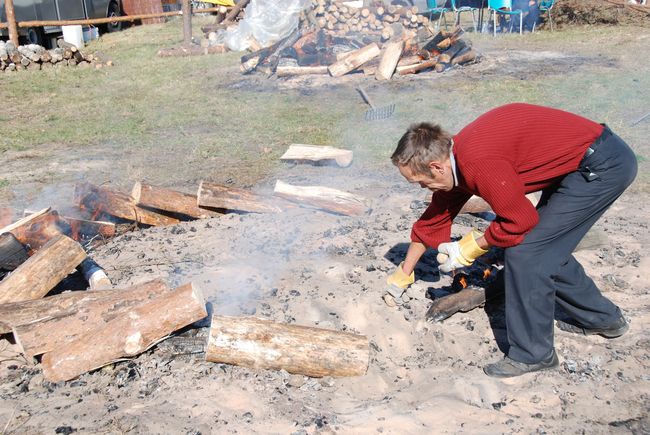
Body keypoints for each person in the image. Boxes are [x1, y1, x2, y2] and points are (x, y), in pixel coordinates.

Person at [386, 103, 637, 378]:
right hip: (580, 163)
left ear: (436, 166)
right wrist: (404, 273)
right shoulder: (454, 160)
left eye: (421, 182)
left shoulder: (477, 163)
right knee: (547, 247)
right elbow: (434, 218)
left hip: (601, 166)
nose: (423, 188)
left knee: (526, 253)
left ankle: (534, 355)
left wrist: (470, 246)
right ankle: (604, 320)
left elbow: (520, 222)